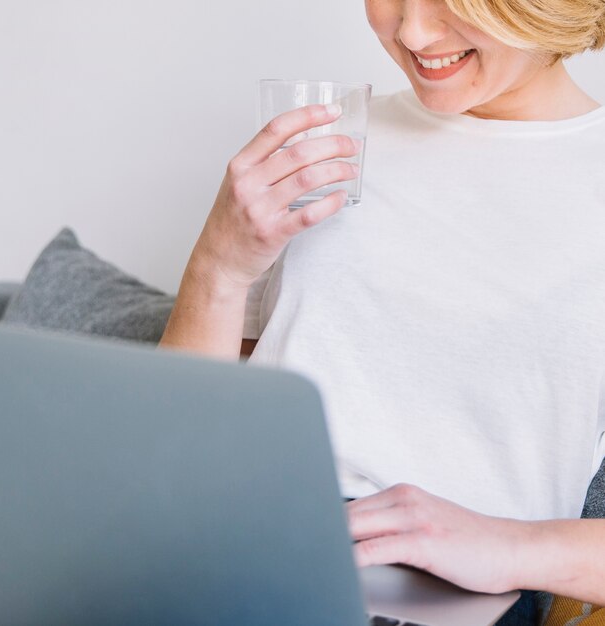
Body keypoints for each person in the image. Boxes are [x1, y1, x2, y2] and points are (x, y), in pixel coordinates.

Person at [159, 0, 605, 622]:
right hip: (232, 539)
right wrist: (219, 265)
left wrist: (513, 546)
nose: (413, 31)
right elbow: (175, 453)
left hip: (438, 593)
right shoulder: (326, 146)